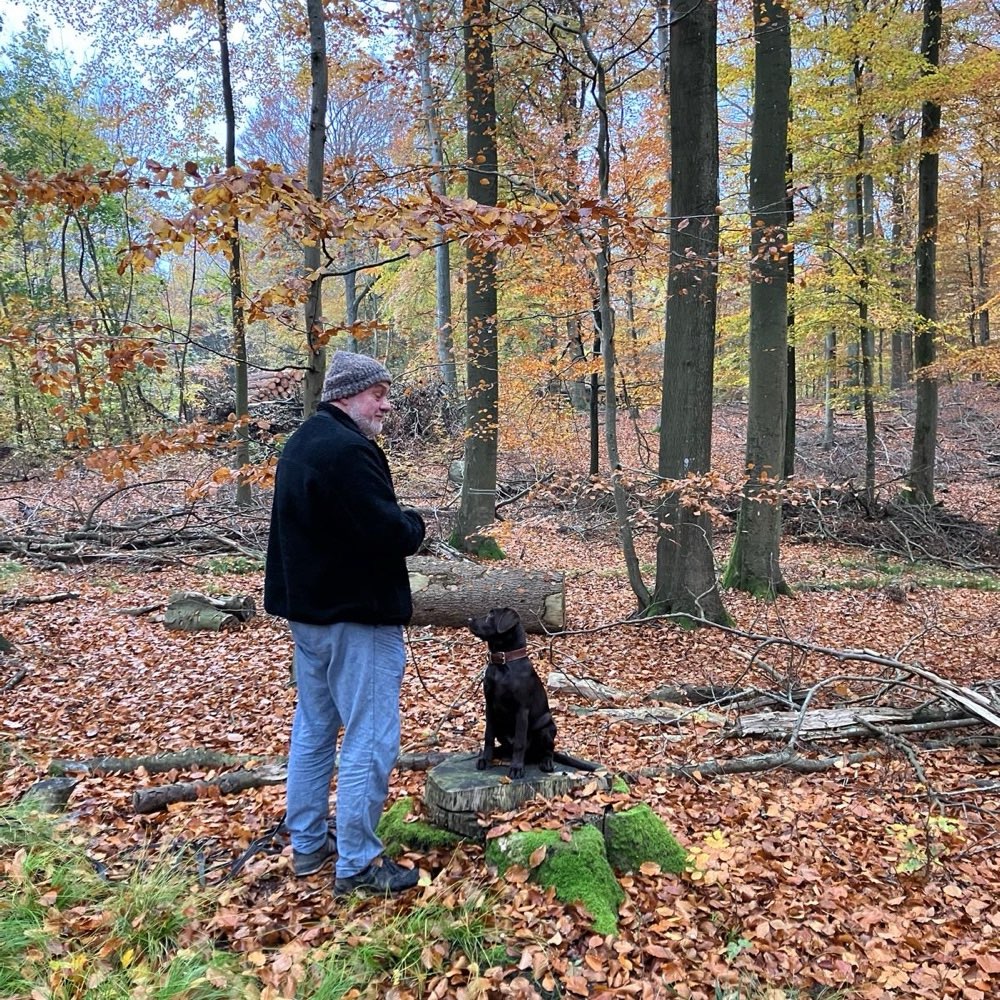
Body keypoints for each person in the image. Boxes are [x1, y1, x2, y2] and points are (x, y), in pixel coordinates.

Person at [264, 350, 426, 896]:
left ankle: (308, 846)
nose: (386, 404)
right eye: (376, 394)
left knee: (313, 728)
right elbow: (389, 533)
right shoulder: (348, 451)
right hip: (357, 619)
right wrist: (415, 523)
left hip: (310, 618)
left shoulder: (303, 443)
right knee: (369, 735)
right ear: (346, 396)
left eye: (386, 393)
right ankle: (357, 862)